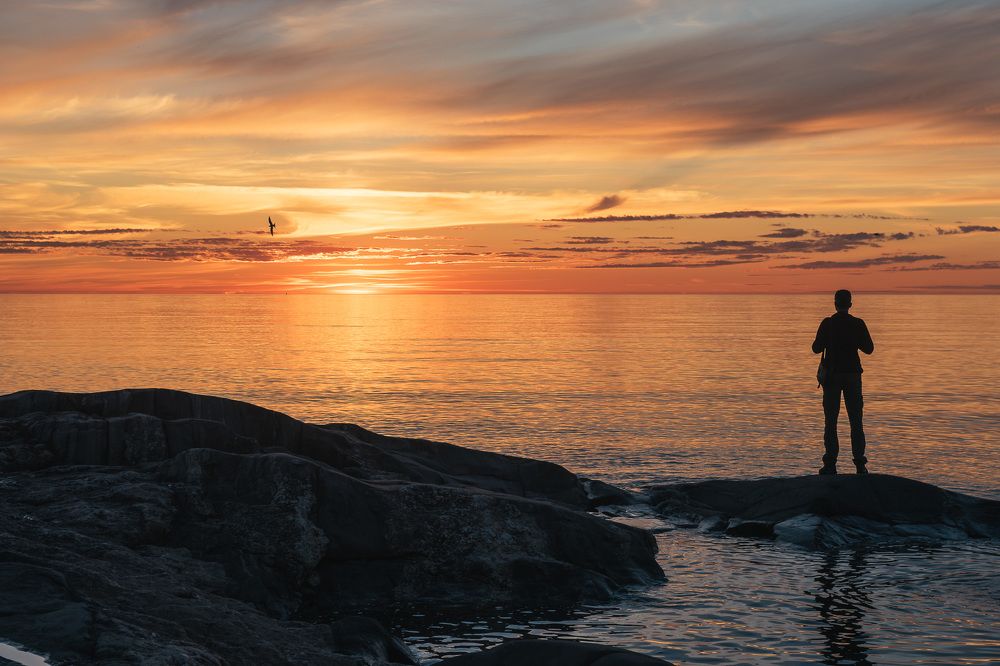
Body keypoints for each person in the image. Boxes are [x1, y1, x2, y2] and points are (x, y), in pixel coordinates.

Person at [812, 289, 874, 475]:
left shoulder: (827, 323)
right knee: (856, 421)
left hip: (832, 376)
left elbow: (816, 348)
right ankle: (860, 465)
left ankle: (830, 464)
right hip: (853, 375)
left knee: (831, 421)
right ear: (850, 304)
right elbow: (869, 349)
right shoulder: (857, 324)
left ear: (835, 304)